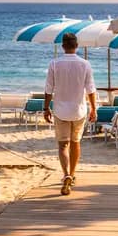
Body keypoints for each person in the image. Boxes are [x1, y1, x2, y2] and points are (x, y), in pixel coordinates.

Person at [43, 32, 96, 195]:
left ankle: (66, 174)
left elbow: (48, 89)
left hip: (60, 110)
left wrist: (46, 108)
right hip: (79, 110)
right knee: (75, 142)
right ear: (76, 46)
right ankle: (72, 175)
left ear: (63, 46)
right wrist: (93, 108)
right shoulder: (85, 64)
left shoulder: (54, 63)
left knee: (63, 144)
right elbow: (90, 89)